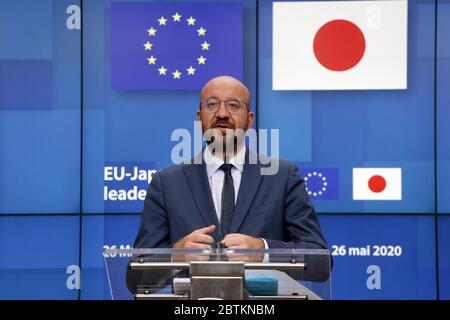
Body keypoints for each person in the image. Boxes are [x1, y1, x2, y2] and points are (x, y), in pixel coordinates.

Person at [132, 75, 327, 252]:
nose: (222, 114)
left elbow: (318, 258)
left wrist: (262, 249)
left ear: (250, 121)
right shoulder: (166, 184)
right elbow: (136, 275)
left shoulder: (283, 177)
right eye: (212, 104)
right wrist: (175, 255)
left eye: (234, 105)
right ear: (199, 118)